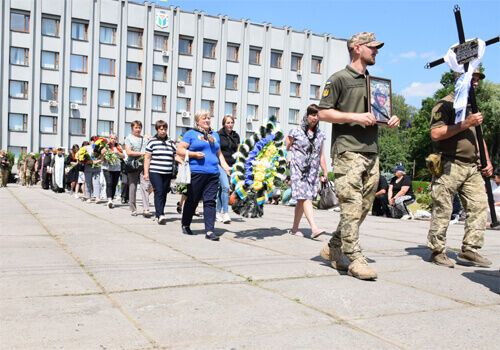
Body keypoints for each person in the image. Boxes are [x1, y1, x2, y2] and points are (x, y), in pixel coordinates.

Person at [317, 32, 400, 280]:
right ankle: (354, 258)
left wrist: (390, 120)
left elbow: (376, 116)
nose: (376, 51)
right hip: (347, 150)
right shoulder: (339, 79)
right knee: (351, 207)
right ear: (356, 48)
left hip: (371, 151)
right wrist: (355, 117)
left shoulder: (374, 84)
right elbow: (323, 113)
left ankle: (333, 247)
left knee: (363, 207)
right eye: (372, 47)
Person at [426, 69, 493, 268]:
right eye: (473, 78)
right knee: (443, 208)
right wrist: (465, 123)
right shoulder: (445, 104)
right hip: (449, 163)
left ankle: (470, 250)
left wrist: (487, 160)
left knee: (480, 205)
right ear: (460, 80)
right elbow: (436, 134)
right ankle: (437, 251)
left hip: (471, 166)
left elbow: (479, 137)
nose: (476, 83)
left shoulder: (473, 107)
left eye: (478, 79)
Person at [176, 110, 231, 241]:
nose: (207, 120)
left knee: (210, 201)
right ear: (197, 121)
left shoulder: (215, 135)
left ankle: (210, 230)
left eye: (208, 118)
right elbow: (180, 149)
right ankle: (185, 224)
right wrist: (194, 154)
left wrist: (225, 166)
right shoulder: (191, 133)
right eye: (203, 118)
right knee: (192, 199)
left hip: (213, 173)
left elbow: (219, 154)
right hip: (196, 172)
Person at [286, 104, 328, 238]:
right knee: (305, 196)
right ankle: (314, 228)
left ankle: (294, 228)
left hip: (312, 171)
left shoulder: (320, 135)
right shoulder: (296, 131)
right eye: (313, 115)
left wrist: (325, 171)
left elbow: (321, 155)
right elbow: (286, 146)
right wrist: (287, 158)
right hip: (298, 169)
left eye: (317, 116)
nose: (315, 118)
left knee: (301, 200)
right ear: (307, 115)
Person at [143, 120, 177, 225]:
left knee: (164, 192)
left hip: (167, 172)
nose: (163, 131)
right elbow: (147, 158)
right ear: (157, 130)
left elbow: (175, 155)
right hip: (155, 171)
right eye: (161, 129)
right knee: (159, 191)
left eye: (165, 129)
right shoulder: (152, 141)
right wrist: (146, 173)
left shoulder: (171, 142)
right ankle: (160, 214)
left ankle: (160, 213)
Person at [216, 115, 240, 224]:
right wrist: (223, 165)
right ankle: (225, 213)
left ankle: (217, 212)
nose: (230, 125)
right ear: (224, 124)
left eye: (231, 122)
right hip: (220, 164)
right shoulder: (218, 135)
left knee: (222, 189)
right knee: (226, 187)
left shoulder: (236, 136)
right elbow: (217, 150)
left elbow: (238, 150)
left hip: (232, 166)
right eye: (228, 123)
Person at [125, 121, 152, 217]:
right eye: (136, 127)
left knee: (146, 185)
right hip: (132, 165)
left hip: (143, 165)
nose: (138, 129)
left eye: (140, 127)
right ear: (132, 128)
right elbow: (128, 152)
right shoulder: (129, 138)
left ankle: (146, 209)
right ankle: (133, 208)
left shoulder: (144, 139)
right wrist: (142, 154)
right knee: (133, 187)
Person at [101, 134, 124, 209]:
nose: (113, 140)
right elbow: (101, 152)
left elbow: (123, 156)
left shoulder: (118, 147)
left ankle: (112, 199)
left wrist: (118, 153)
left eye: (114, 138)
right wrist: (104, 151)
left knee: (114, 184)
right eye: (111, 138)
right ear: (109, 139)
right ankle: (109, 200)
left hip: (116, 168)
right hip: (107, 167)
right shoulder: (106, 146)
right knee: (109, 183)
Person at [83, 138, 103, 203]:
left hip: (97, 168)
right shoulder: (86, 148)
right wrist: (90, 162)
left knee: (96, 183)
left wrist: (99, 160)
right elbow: (82, 157)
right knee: (88, 183)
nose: (94, 143)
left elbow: (102, 157)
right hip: (88, 167)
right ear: (90, 141)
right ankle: (88, 197)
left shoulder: (100, 148)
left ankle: (97, 197)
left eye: (96, 142)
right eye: (93, 141)